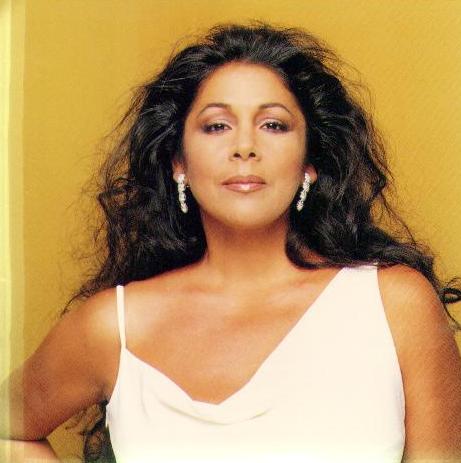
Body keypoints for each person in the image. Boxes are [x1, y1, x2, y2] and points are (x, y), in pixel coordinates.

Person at [2, 21, 461, 463]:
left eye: (274, 125)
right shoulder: (114, 326)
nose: (245, 147)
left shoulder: (395, 304)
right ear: (178, 161)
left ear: (310, 162)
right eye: (217, 126)